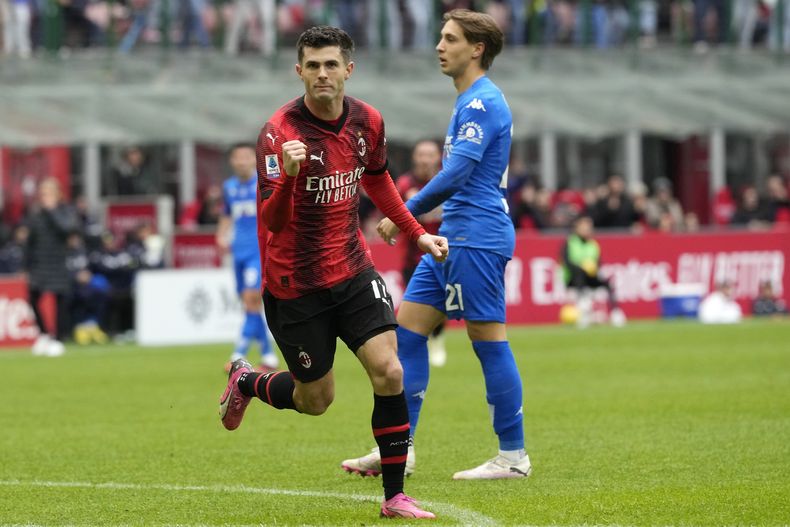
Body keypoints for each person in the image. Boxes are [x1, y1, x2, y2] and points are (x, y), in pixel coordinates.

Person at [217, 25, 447, 519]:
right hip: (295, 285)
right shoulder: (279, 134)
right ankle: (247, 382)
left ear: (348, 69)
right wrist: (289, 177)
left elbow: (378, 180)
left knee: (389, 371)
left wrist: (417, 233)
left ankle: (394, 497)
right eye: (313, 65)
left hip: (353, 269)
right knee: (316, 400)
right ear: (299, 71)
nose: (323, 73)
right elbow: (272, 221)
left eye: (331, 64)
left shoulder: (368, 121)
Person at [342, 9, 532, 481]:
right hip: (451, 238)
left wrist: (403, 214)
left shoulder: (483, 102)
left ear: (477, 49)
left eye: (450, 39)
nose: (439, 46)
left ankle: (513, 456)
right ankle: (399, 448)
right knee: (407, 333)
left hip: (476, 237)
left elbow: (458, 173)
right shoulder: (468, 100)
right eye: (441, 37)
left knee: (487, 340)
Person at [216, 143, 280, 373]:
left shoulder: (264, 183)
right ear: (232, 161)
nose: (242, 161)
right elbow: (227, 214)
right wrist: (221, 235)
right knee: (249, 303)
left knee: (253, 298)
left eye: (246, 156)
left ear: (254, 159)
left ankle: (238, 354)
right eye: (238, 157)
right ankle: (268, 356)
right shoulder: (229, 187)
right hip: (238, 251)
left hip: (258, 251)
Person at [396, 139, 447, 367]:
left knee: (441, 303)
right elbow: (391, 213)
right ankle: (419, 344)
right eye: (421, 154)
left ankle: (437, 338)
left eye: (430, 154)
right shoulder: (404, 184)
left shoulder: (448, 183)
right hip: (412, 257)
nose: (425, 159)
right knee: (414, 304)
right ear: (414, 158)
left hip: (443, 254)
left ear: (439, 157)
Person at [23, 178, 80, 357]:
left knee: (60, 302)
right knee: (33, 298)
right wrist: (25, 265)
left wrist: (52, 212)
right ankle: (43, 334)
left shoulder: (65, 211)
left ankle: (58, 339)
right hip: (40, 263)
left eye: (49, 194)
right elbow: (29, 242)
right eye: (43, 194)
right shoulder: (36, 215)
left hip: (58, 262)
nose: (45, 198)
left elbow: (68, 229)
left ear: (57, 195)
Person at [560, 215, 626, 328]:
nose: (587, 229)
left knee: (607, 283)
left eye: (589, 227)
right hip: (573, 278)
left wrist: (592, 268)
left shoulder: (593, 244)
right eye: (584, 226)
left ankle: (616, 312)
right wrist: (582, 267)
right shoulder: (570, 242)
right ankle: (584, 311)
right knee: (579, 275)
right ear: (577, 227)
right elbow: (567, 262)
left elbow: (598, 263)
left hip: (590, 277)